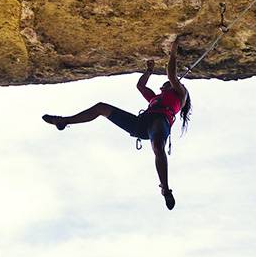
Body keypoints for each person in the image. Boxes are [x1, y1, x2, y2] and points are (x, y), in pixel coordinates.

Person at [42, 42, 192, 210]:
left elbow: (171, 75)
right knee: (101, 108)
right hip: (142, 123)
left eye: (165, 84)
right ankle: (64, 121)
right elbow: (140, 86)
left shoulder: (181, 94)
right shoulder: (155, 99)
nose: (161, 85)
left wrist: (173, 54)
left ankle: (165, 188)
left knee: (158, 148)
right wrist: (148, 71)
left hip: (160, 122)